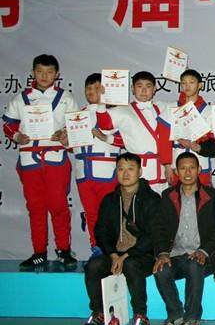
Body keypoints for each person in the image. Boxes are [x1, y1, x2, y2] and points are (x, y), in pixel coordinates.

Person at [3, 54, 79, 270]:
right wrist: (17, 136)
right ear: (33, 73)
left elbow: (75, 126)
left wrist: (64, 134)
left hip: (55, 157)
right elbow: (8, 125)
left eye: (49, 72)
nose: (44, 76)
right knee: (35, 207)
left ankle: (64, 250)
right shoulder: (20, 99)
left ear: (57, 74)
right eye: (40, 71)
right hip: (30, 158)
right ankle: (39, 252)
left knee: (59, 206)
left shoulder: (66, 98)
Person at [80, 153, 161, 325]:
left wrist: (127, 255)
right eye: (121, 169)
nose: (125, 173)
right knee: (93, 266)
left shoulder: (152, 199)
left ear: (140, 171)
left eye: (130, 169)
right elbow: (101, 231)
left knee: (132, 264)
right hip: (115, 255)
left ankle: (141, 315)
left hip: (143, 254)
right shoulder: (109, 200)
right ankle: (98, 312)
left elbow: (154, 235)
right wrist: (113, 254)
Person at [152, 152, 215, 325]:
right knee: (161, 269)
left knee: (194, 264)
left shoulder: (212, 196)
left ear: (199, 170)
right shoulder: (168, 195)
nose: (187, 172)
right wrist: (162, 253)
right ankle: (175, 314)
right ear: (176, 171)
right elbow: (159, 228)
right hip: (176, 255)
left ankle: (192, 320)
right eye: (183, 168)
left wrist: (203, 251)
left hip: (204, 256)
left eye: (192, 167)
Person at [70, 73, 123, 257]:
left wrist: (106, 137)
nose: (92, 92)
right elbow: (72, 144)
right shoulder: (78, 115)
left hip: (106, 169)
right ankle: (96, 247)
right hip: (83, 171)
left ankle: (112, 249)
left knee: (109, 213)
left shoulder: (116, 114)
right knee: (91, 213)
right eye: (89, 88)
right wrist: (64, 140)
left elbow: (127, 140)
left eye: (97, 88)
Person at [95, 71, 171, 194]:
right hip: (138, 170)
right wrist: (101, 103)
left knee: (162, 203)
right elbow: (105, 124)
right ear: (132, 89)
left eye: (148, 86)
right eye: (139, 86)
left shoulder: (162, 107)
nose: (144, 90)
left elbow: (184, 108)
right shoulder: (123, 110)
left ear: (154, 89)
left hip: (162, 170)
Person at [156, 69, 215, 186]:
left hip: (200, 161)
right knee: (176, 195)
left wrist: (199, 147)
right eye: (184, 83)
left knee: (202, 194)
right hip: (176, 162)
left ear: (200, 85)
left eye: (191, 82)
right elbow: (164, 139)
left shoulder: (209, 112)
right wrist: (167, 165)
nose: (187, 86)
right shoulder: (172, 108)